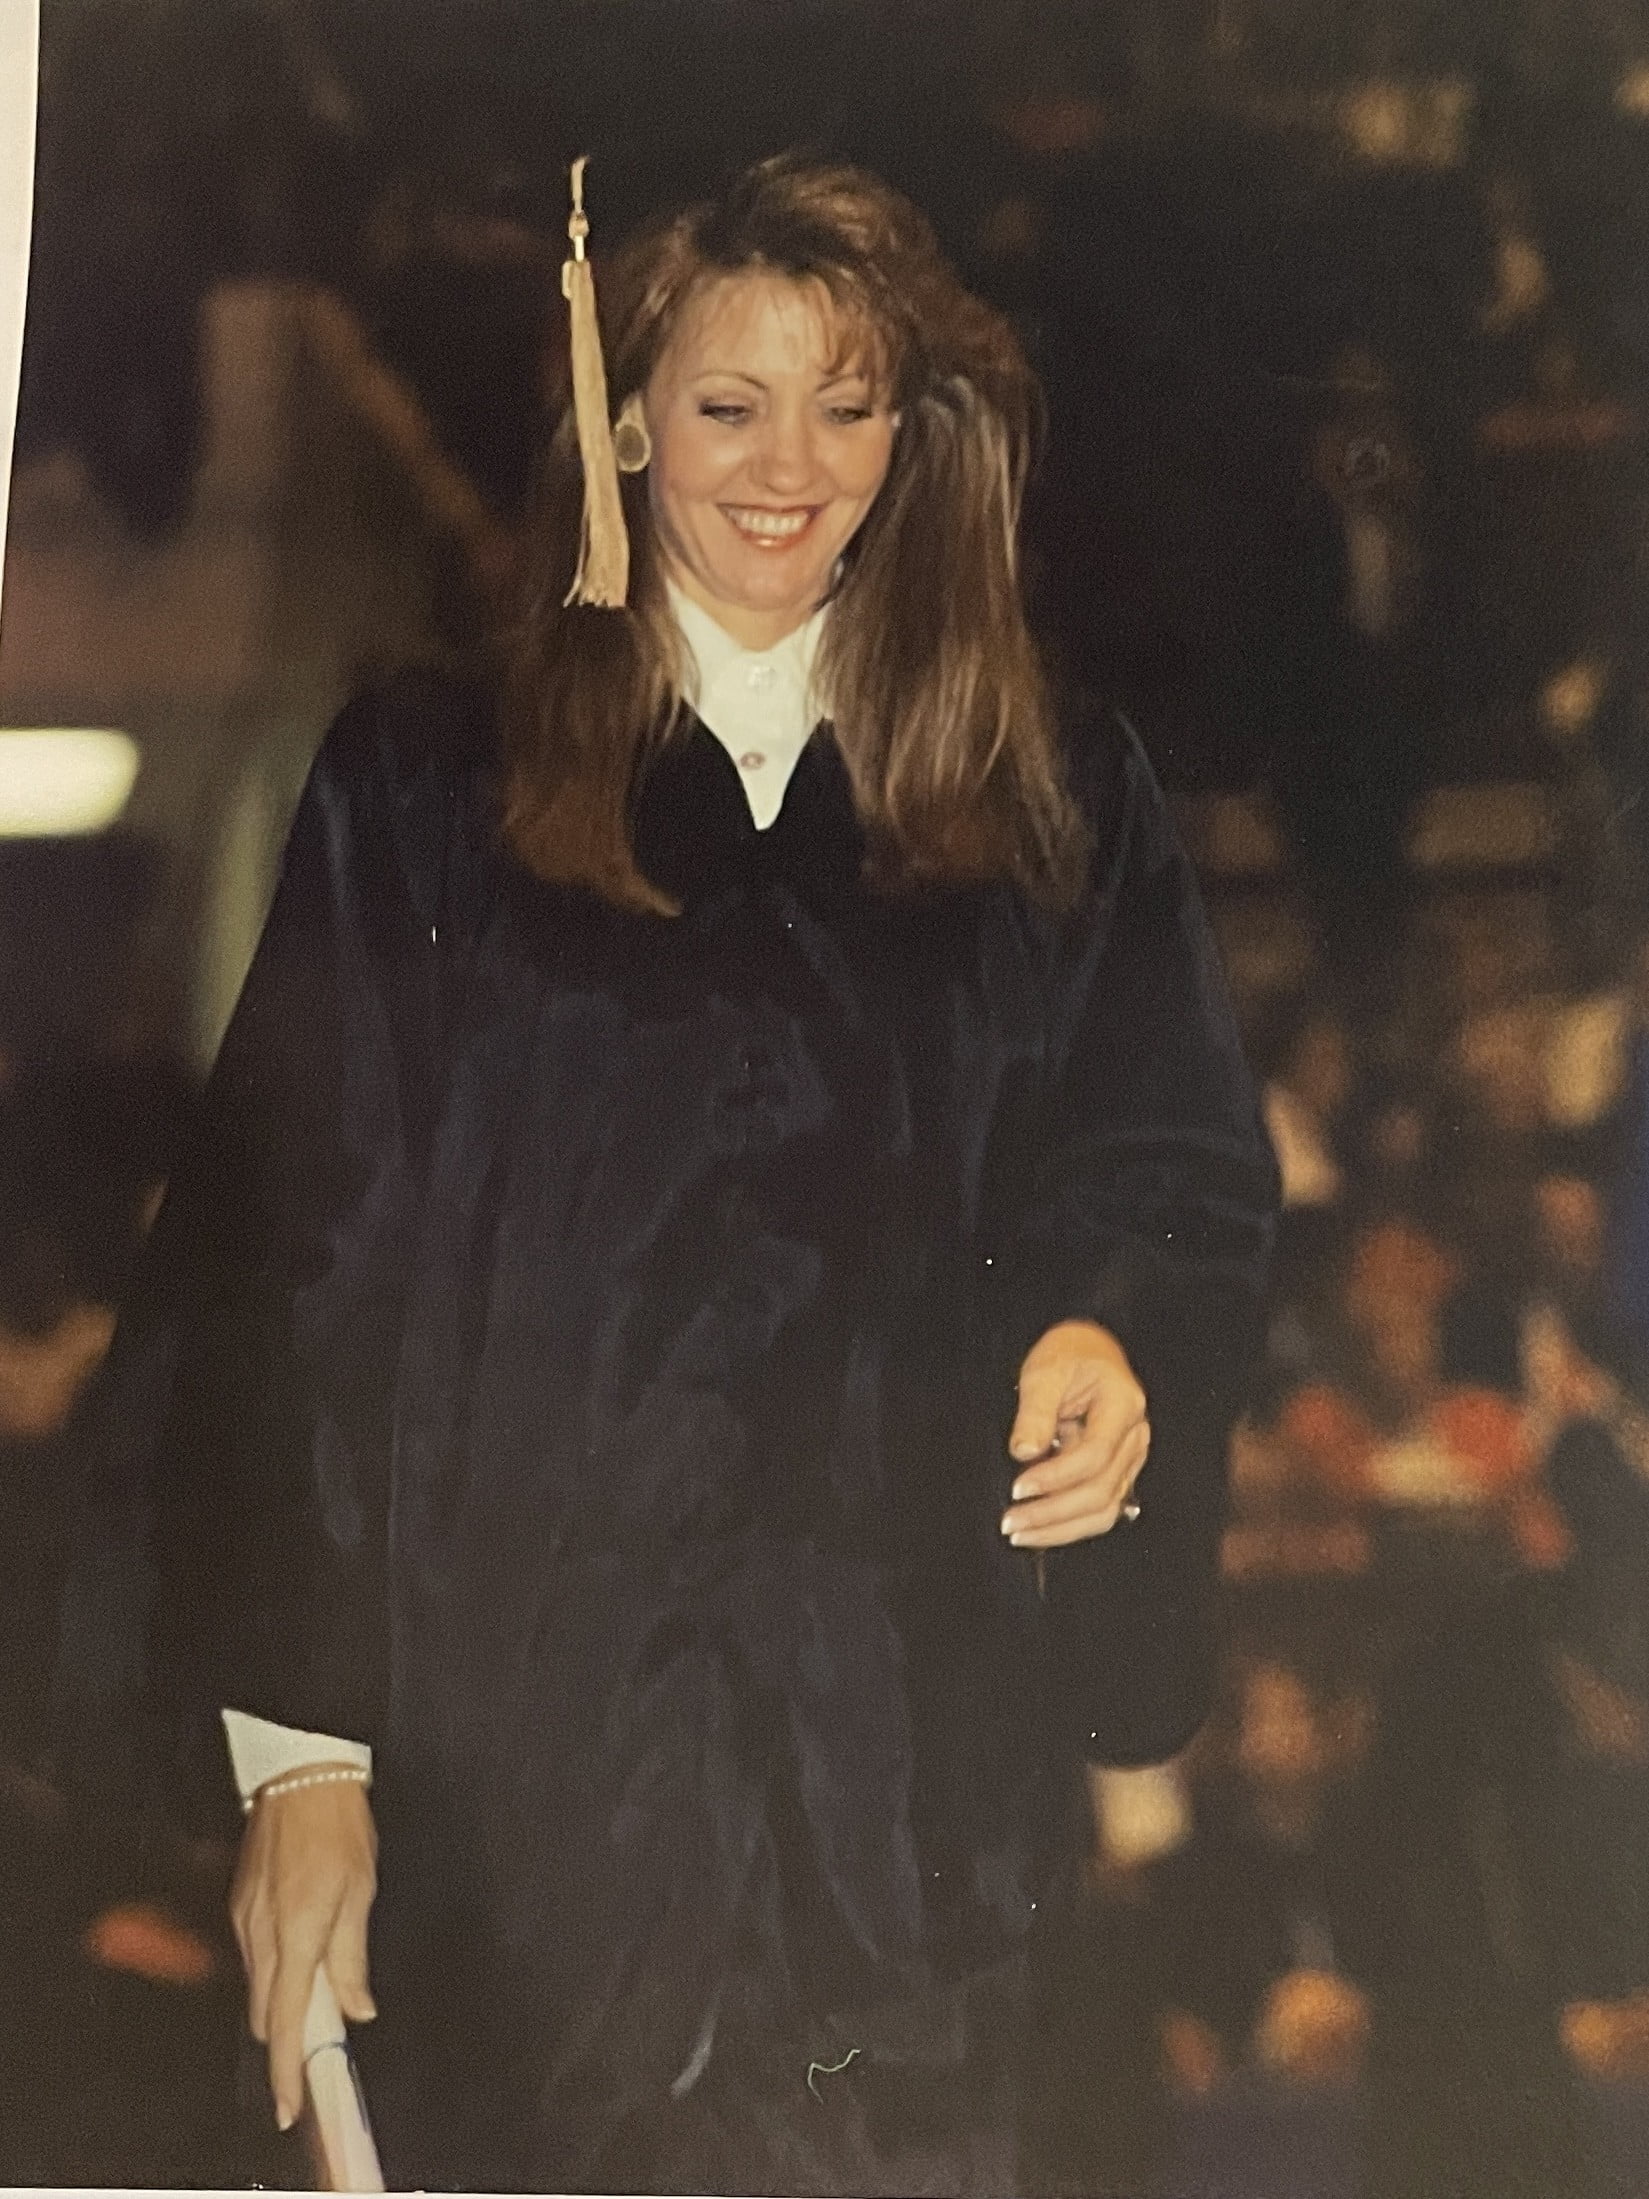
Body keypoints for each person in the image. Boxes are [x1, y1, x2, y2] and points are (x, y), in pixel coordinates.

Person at [68, 154, 1277, 2194]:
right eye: (728, 404)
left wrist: (1113, 1327)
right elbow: (296, 1261)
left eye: (848, 402)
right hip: (516, 1825)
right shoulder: (433, 782)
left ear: (915, 432)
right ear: (628, 417)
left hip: (899, 1845)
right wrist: (304, 1749)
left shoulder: (1043, 785)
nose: (789, 466)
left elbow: (1169, 1164)